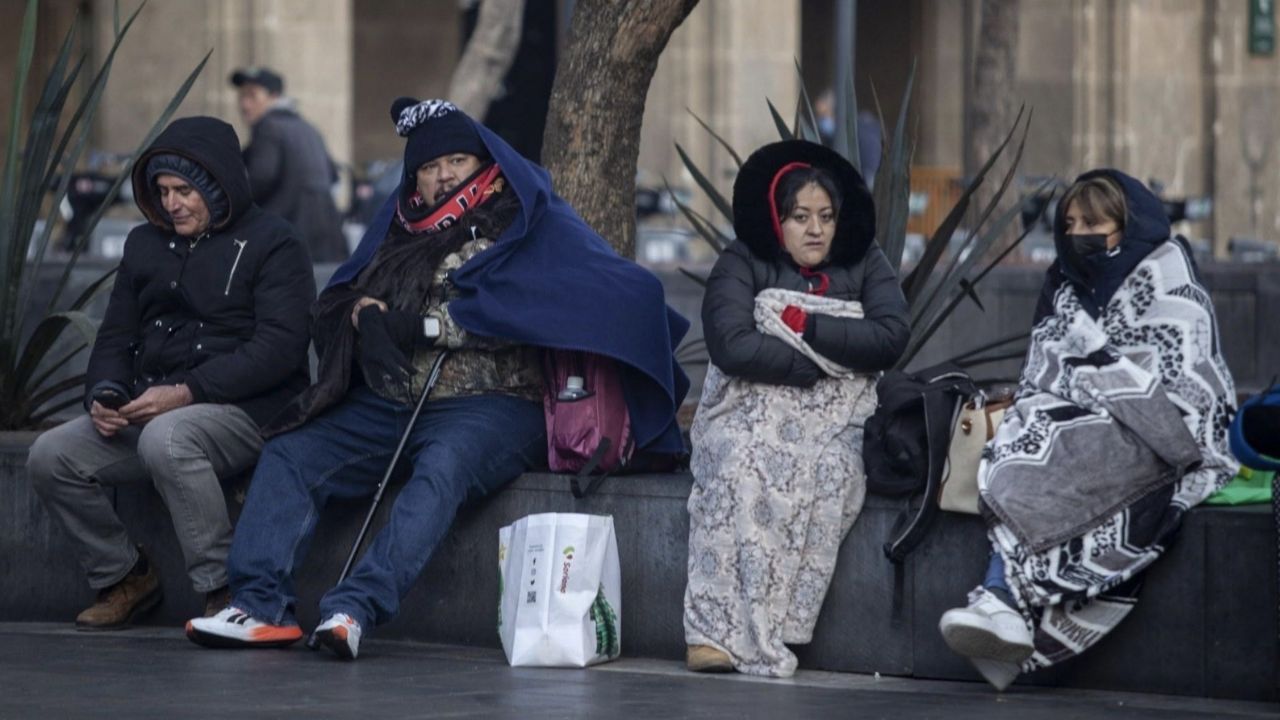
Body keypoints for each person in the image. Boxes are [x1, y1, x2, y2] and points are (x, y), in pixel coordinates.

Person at [186, 98, 689, 659]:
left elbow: (546, 307)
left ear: (485, 167)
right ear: (415, 179)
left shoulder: (527, 224)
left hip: (495, 405)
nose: (444, 174)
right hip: (393, 401)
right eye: (430, 166)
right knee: (292, 453)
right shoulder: (399, 229)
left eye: (458, 160)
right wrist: (364, 320)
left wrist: (421, 326)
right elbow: (343, 296)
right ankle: (259, 605)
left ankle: (354, 607)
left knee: (442, 469)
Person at [937, 170, 1239, 690]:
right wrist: (1075, 392)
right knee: (1018, 445)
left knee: (1060, 455)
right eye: (1070, 223)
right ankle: (1004, 609)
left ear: (1127, 226)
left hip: (1155, 432)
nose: (1079, 233)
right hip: (1071, 417)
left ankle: (1003, 600)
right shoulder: (1064, 284)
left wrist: (1105, 385)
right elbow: (1044, 365)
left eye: (1094, 223)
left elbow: (1192, 386)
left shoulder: (1169, 279)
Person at [26, 117, 316, 630]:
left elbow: (281, 348)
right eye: (162, 191)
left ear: (218, 186)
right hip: (154, 405)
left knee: (167, 438)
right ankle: (124, 576)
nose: (172, 203)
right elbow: (116, 335)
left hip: (249, 410)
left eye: (185, 190)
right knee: (51, 454)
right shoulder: (144, 244)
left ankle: (225, 593)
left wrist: (188, 391)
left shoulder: (276, 243)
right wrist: (106, 393)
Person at [684, 140, 910, 677]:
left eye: (826, 217)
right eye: (800, 217)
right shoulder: (742, 260)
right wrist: (806, 366)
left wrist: (805, 325)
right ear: (776, 219)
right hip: (747, 408)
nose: (816, 230)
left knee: (830, 474)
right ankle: (711, 633)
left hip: (837, 418)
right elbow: (732, 344)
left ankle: (779, 624)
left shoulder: (865, 260)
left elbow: (890, 335)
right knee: (739, 461)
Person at [231, 66, 348, 263]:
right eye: (241, 96)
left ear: (274, 96)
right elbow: (334, 178)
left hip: (287, 240)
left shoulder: (268, 127)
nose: (244, 104)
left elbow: (260, 178)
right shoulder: (307, 128)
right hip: (326, 243)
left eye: (252, 96)